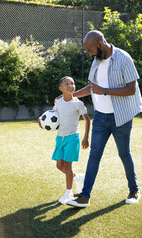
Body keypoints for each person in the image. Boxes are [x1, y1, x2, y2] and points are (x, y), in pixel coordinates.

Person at [66, 30, 142, 207]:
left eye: (90, 50)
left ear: (100, 44)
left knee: (124, 153)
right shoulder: (96, 61)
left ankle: (134, 190)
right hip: (100, 117)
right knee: (94, 155)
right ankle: (85, 196)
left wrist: (105, 91)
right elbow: (93, 88)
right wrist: (72, 96)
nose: (90, 54)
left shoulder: (124, 58)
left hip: (121, 117)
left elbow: (131, 89)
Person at [38, 76, 90, 204]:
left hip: (73, 137)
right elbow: (52, 115)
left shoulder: (78, 103)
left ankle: (69, 193)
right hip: (60, 138)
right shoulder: (58, 103)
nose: (70, 86)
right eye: (66, 84)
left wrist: (85, 138)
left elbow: (87, 120)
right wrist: (41, 119)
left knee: (67, 165)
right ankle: (77, 177)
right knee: (59, 165)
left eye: (72, 83)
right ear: (60, 88)